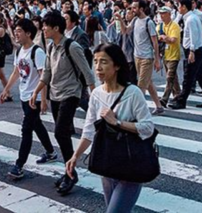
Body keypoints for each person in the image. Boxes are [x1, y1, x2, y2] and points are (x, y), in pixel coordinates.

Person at [66, 43, 154, 212]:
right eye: (96, 61)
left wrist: (117, 123)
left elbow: (148, 128)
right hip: (108, 163)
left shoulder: (133, 93)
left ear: (117, 66)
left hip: (131, 165)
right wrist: (75, 156)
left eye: (104, 62)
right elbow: (89, 130)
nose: (98, 67)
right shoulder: (97, 94)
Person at [30, 11, 95, 195]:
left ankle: (71, 173)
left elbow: (86, 71)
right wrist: (36, 92)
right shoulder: (51, 47)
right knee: (62, 134)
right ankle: (69, 171)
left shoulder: (72, 46)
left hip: (70, 93)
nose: (43, 29)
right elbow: (47, 73)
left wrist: (94, 94)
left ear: (56, 28)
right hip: (55, 94)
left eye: (45, 26)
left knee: (60, 132)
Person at [0, 18, 57, 180]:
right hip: (25, 95)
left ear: (28, 33)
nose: (16, 34)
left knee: (26, 130)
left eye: (19, 31)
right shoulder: (20, 51)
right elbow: (16, 72)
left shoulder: (37, 52)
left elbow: (43, 77)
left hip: (35, 97)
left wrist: (44, 100)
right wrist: (6, 89)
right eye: (15, 31)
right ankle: (51, 152)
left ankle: (19, 165)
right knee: (36, 125)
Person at [168, 0, 202, 109]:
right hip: (194, 49)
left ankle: (181, 101)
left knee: (188, 76)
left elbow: (194, 36)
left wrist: (192, 51)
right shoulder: (189, 17)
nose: (178, 8)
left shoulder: (190, 19)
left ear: (184, 7)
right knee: (200, 76)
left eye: (179, 6)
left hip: (193, 50)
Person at [124, 0, 164, 115]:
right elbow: (126, 31)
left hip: (147, 57)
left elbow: (155, 42)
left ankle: (136, 112)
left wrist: (157, 60)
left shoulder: (149, 22)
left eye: (134, 8)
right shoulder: (135, 20)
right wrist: (120, 20)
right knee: (148, 82)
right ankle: (159, 106)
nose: (132, 10)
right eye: (132, 8)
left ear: (141, 9)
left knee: (141, 86)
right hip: (137, 56)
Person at [157, 7, 181, 108]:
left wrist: (164, 38)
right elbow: (157, 39)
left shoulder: (174, 26)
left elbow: (173, 40)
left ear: (169, 14)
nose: (162, 16)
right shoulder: (159, 26)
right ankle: (178, 95)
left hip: (174, 54)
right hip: (165, 54)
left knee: (169, 77)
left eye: (164, 13)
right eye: (160, 14)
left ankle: (164, 99)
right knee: (173, 76)